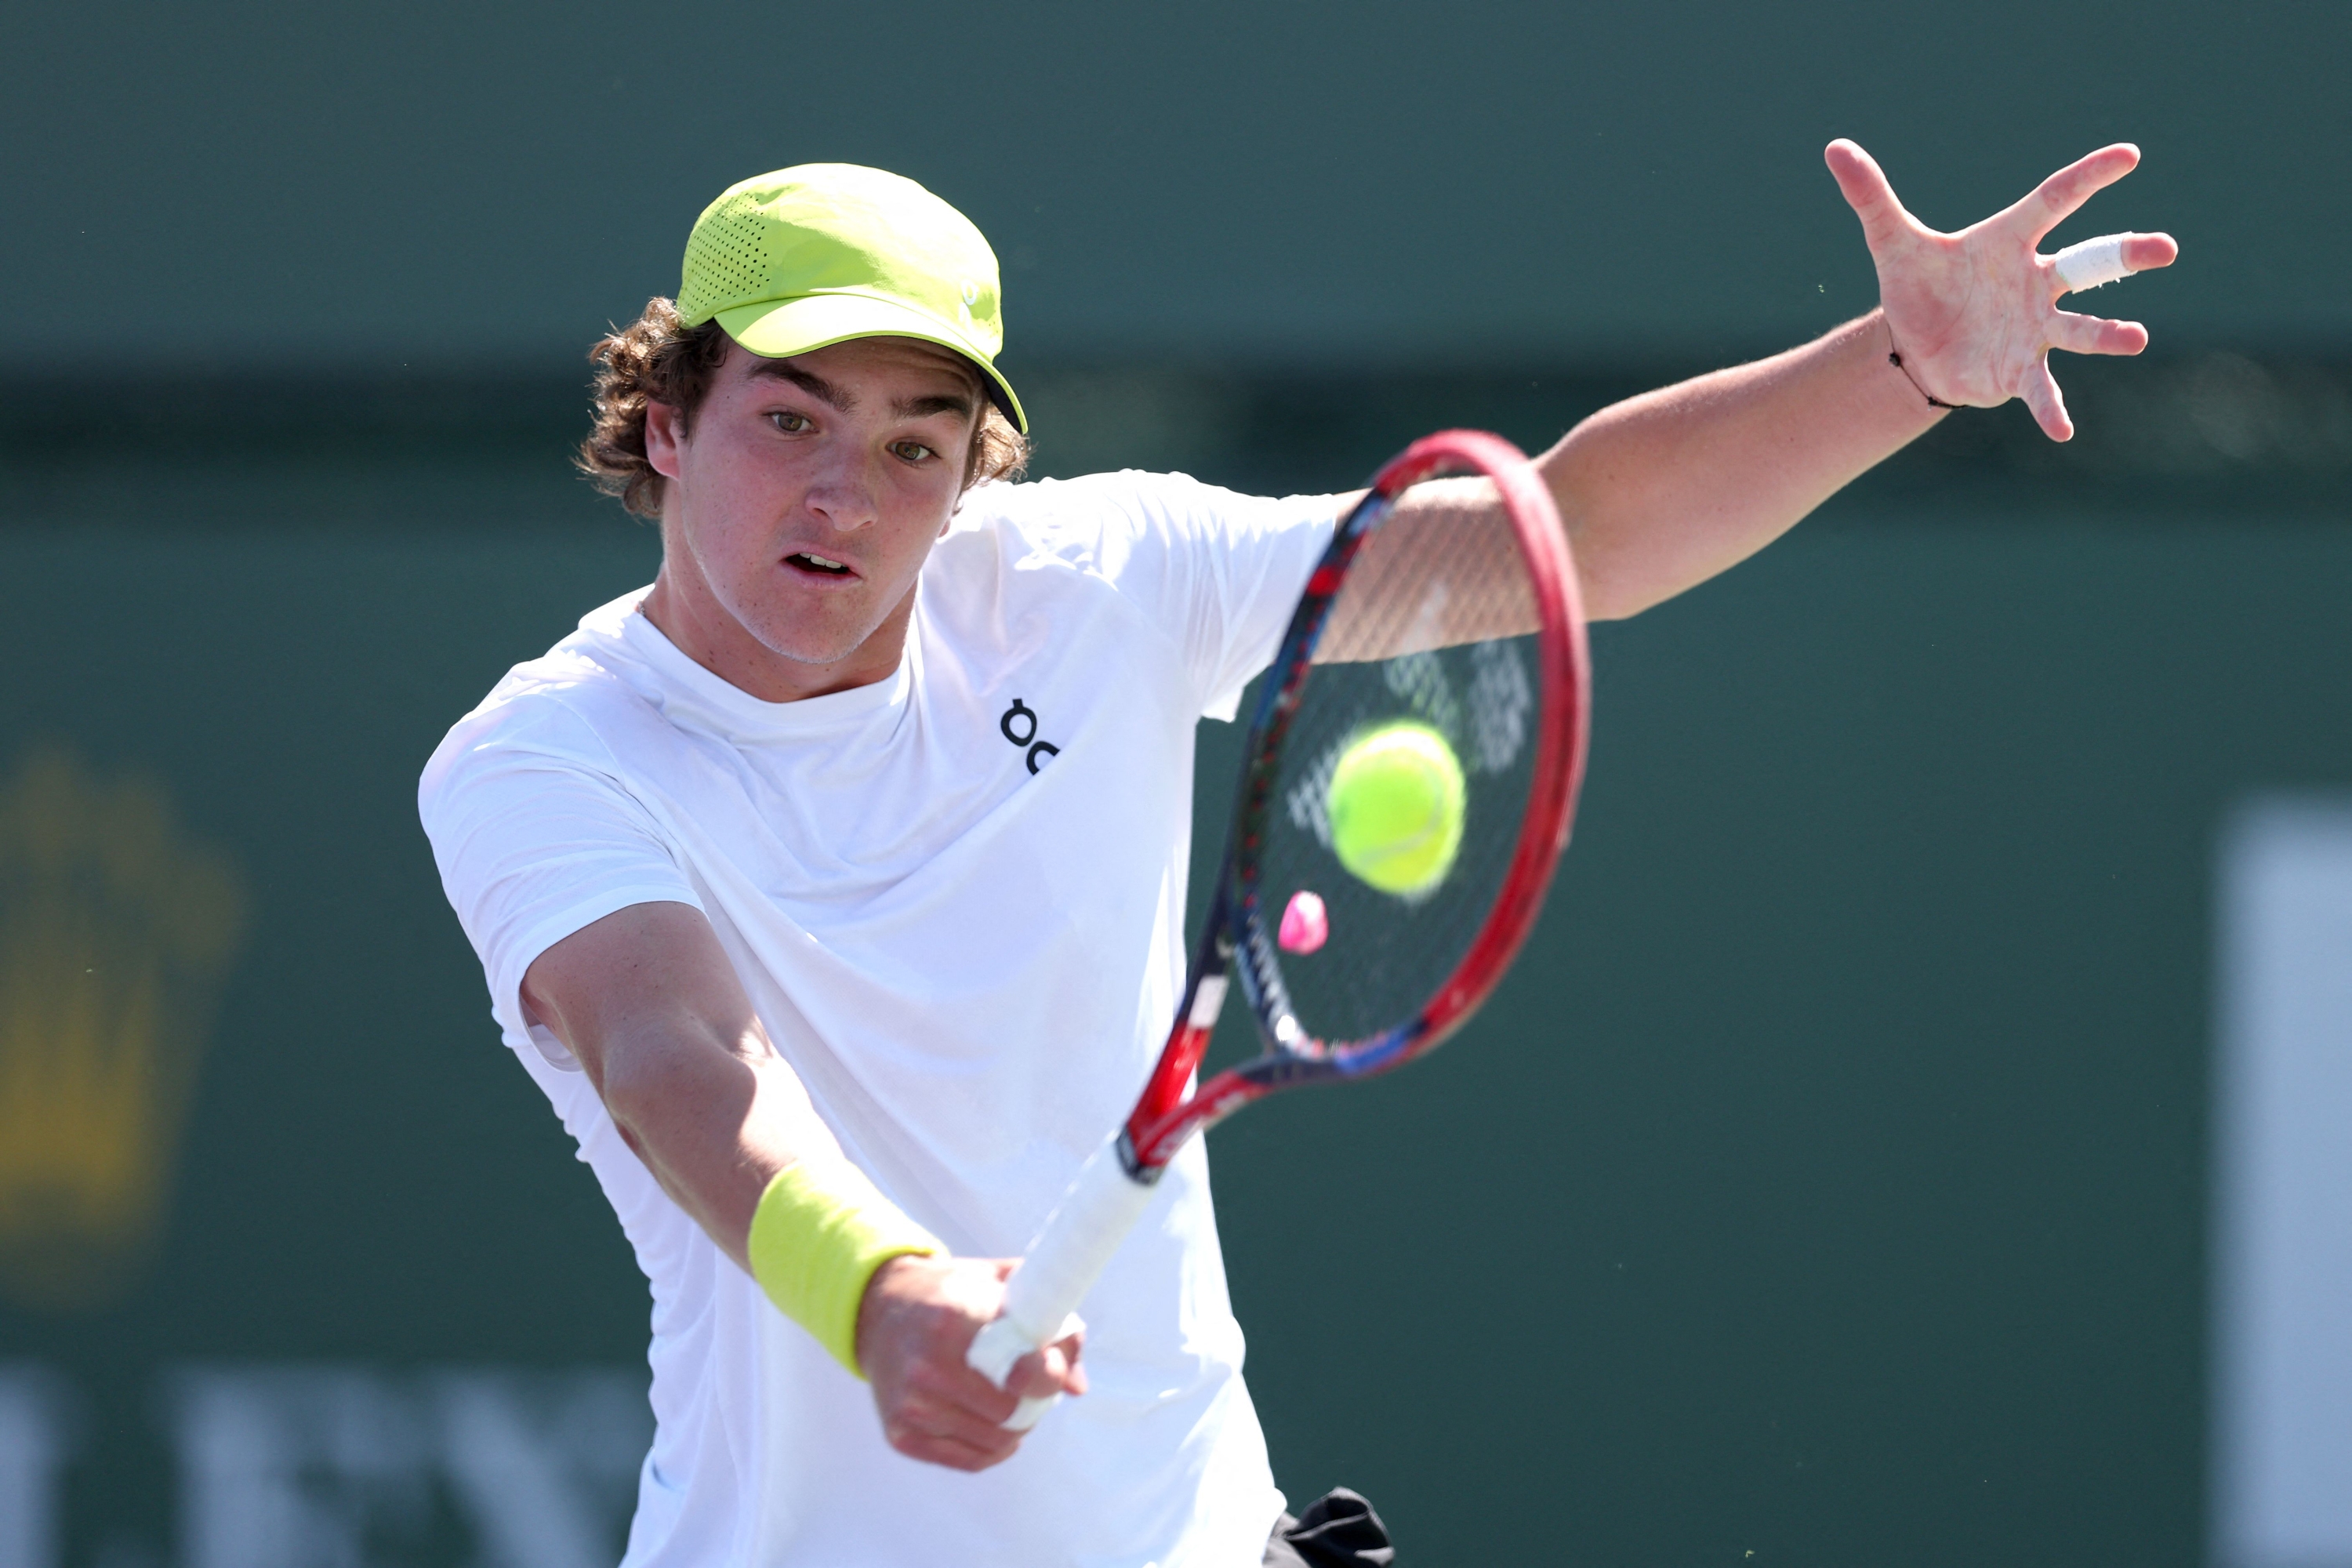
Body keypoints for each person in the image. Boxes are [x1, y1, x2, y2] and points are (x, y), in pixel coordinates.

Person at [419, 147, 2173, 1566]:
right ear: (664, 423)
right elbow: (676, 1061)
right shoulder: (544, 759)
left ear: (970, 476)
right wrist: (874, 1294)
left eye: (912, 447)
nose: (848, 499)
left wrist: (1901, 372)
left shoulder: (1099, 584)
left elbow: (1572, 543)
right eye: (789, 419)